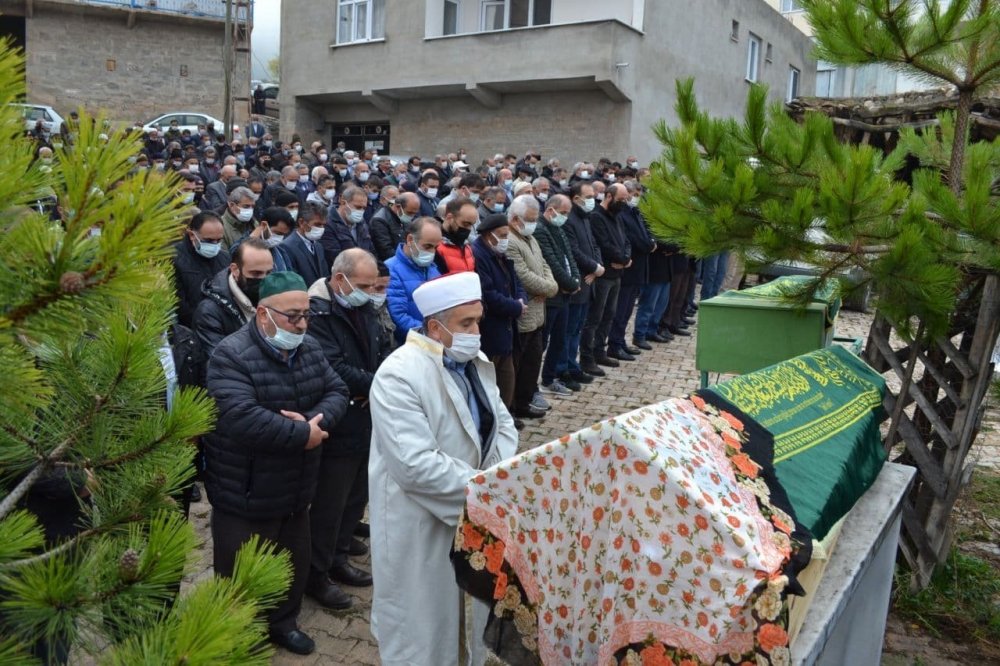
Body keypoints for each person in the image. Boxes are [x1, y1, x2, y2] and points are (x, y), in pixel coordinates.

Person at [368, 271, 518, 666]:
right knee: (424, 635)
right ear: (435, 327)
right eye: (465, 324)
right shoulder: (399, 374)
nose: (476, 332)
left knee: (469, 625)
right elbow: (415, 466)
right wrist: (485, 492)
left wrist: (496, 481)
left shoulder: (473, 361)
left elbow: (502, 425)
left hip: (474, 513)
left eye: (478, 321)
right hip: (422, 522)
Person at [204, 272, 348, 656]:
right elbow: (240, 415)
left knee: (291, 562)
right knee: (240, 571)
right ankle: (239, 635)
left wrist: (314, 422)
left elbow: (337, 390)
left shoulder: (310, 348)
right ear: (263, 314)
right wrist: (302, 435)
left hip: (296, 487)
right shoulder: (230, 355)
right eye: (292, 317)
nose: (301, 324)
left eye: (306, 315)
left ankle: (284, 622)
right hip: (245, 490)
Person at [305, 249, 393, 610]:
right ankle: (317, 574)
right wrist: (381, 385)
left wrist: (382, 378)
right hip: (338, 419)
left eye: (373, 285)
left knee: (356, 495)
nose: (371, 291)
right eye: (363, 285)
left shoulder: (362, 305)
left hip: (366, 415)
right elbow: (332, 365)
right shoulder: (318, 311)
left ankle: (339, 558)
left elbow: (380, 348)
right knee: (330, 502)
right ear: (339, 279)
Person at [504, 195, 558, 420]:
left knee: (533, 362)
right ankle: (513, 407)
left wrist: (550, 285)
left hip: (538, 313)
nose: (533, 223)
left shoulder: (530, 238)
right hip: (524, 313)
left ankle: (525, 401)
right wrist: (549, 288)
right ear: (516, 219)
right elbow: (522, 275)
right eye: (530, 219)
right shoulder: (508, 240)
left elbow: (543, 264)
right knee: (517, 364)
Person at [472, 214, 527, 412]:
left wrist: (521, 299)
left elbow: (516, 280)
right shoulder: (479, 255)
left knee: (507, 381)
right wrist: (515, 307)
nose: (506, 240)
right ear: (489, 235)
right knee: (493, 384)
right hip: (492, 330)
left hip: (506, 330)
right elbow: (487, 293)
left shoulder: (499, 253)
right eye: (502, 235)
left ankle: (506, 418)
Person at [193, 238, 274, 366]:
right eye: (256, 273)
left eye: (269, 273)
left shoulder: (275, 297)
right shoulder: (210, 311)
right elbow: (220, 362)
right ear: (235, 270)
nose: (264, 280)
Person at [534, 194, 584, 397]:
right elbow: (551, 261)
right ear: (550, 210)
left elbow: (568, 257)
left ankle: (549, 378)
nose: (565, 217)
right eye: (563, 213)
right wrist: (568, 283)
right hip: (552, 295)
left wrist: (575, 281)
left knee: (560, 339)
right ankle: (534, 382)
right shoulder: (540, 229)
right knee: (543, 342)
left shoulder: (558, 228)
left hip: (564, 294)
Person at [581, 182, 631, 368]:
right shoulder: (596, 216)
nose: (624, 203)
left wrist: (625, 259)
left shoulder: (617, 216)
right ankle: (587, 357)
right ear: (609, 196)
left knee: (609, 314)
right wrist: (622, 259)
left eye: (626, 199)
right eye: (621, 199)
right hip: (603, 275)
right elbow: (604, 244)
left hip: (617, 273)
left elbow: (626, 241)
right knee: (595, 317)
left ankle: (600, 351)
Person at [563, 182, 605, 378]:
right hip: (578, 281)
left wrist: (597, 267)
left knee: (578, 328)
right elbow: (574, 251)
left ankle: (573, 365)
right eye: (588, 196)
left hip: (589, 280)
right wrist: (593, 267)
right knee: (569, 331)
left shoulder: (585, 218)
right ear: (576, 198)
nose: (592, 199)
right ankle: (567, 367)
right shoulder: (569, 219)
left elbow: (594, 244)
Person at [609, 181, 655, 357]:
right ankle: (614, 344)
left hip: (639, 268)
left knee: (627, 309)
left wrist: (650, 243)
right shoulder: (622, 214)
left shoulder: (636, 212)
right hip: (628, 268)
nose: (636, 197)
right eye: (633, 193)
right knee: (620, 310)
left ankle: (620, 341)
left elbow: (645, 234)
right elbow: (632, 239)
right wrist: (648, 245)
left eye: (638, 194)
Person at [386, 217, 442, 345]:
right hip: (411, 344)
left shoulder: (433, 269)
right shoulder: (391, 270)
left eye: (435, 247)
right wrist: (430, 334)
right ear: (410, 239)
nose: (432, 252)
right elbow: (398, 317)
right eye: (427, 246)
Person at [172, 212, 231, 327]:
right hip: (190, 328)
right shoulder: (173, 259)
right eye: (208, 241)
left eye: (219, 240)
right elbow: (178, 304)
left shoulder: (225, 258)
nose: (215, 245)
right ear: (192, 235)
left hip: (221, 325)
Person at [321, 185, 377, 261]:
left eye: (364, 208)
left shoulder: (361, 222)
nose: (361, 211)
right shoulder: (327, 223)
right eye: (358, 207)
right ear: (343, 202)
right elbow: (334, 258)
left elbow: (372, 252)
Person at [281, 201, 331, 286]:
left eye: (323, 225)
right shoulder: (287, 247)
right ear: (301, 222)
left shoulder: (318, 246)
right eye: (317, 224)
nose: (321, 229)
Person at [434, 197, 477, 275]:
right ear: (449, 217)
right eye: (465, 224)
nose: (468, 229)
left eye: (471, 225)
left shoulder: (467, 247)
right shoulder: (435, 246)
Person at [370, 190, 417, 262]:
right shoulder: (379, 220)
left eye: (414, 213)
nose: (411, 216)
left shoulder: (403, 215)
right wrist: (408, 260)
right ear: (398, 207)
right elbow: (386, 251)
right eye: (409, 213)